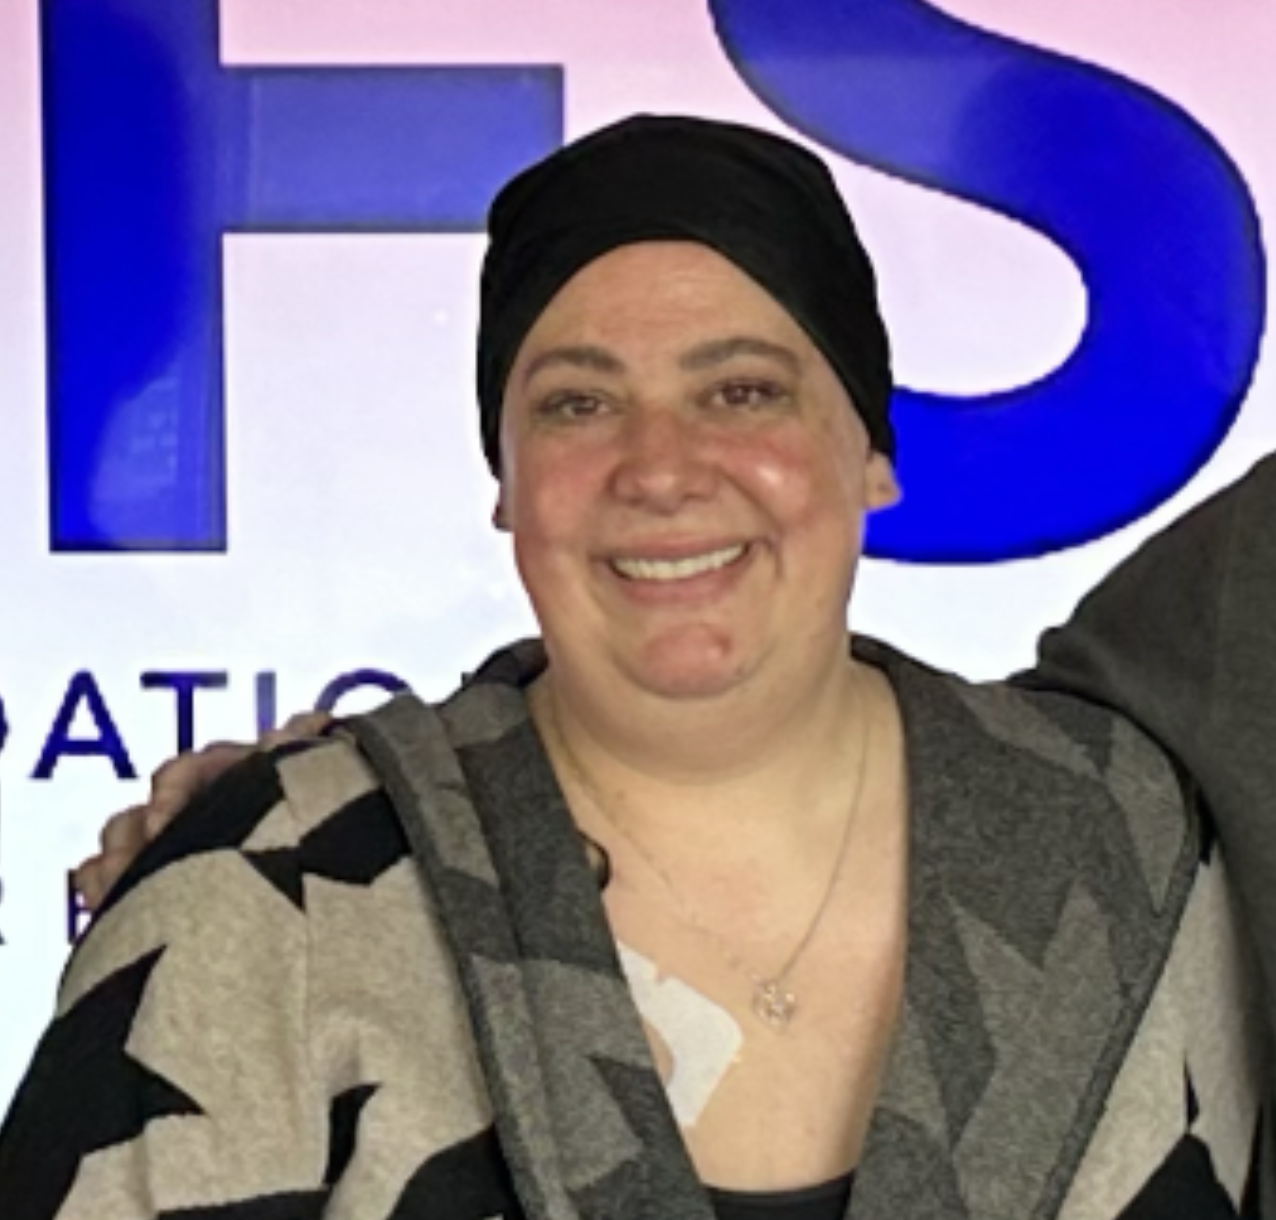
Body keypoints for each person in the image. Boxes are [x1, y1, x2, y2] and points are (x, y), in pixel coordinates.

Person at [1, 114, 1272, 1220]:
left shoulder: (1127, 845)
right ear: (507, 486)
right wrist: (274, 837)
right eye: (576, 402)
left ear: (875, 459)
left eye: (743, 391)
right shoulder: (271, 903)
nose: (660, 468)